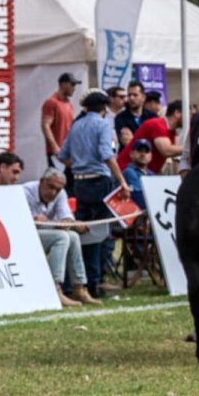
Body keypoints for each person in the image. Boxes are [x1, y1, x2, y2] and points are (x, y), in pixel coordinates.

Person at [56, 89, 130, 301]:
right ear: (104, 108)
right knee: (99, 232)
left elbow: (63, 155)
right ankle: (94, 282)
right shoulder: (102, 125)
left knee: (83, 231)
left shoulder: (76, 125)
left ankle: (78, 281)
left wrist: (80, 165)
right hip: (99, 181)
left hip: (79, 183)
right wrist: (122, 181)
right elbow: (107, 155)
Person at [25, 169, 93, 308]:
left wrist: (70, 223)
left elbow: (65, 215)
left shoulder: (60, 193)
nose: (53, 193)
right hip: (25, 233)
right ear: (42, 181)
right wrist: (32, 219)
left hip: (43, 231)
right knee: (61, 237)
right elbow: (19, 222)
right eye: (50, 187)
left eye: (58, 189)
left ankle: (79, 288)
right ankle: (55, 289)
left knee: (73, 236)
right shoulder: (25, 192)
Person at [121, 99, 185, 172]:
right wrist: (189, 148)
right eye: (188, 114)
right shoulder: (158, 125)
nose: (190, 119)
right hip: (127, 173)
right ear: (177, 113)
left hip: (143, 174)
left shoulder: (170, 132)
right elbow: (166, 150)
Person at [40, 72, 79, 166]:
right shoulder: (51, 102)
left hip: (68, 151)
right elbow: (45, 125)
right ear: (63, 84)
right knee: (58, 179)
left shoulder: (69, 104)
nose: (74, 88)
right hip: (57, 152)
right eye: (72, 84)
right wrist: (54, 147)